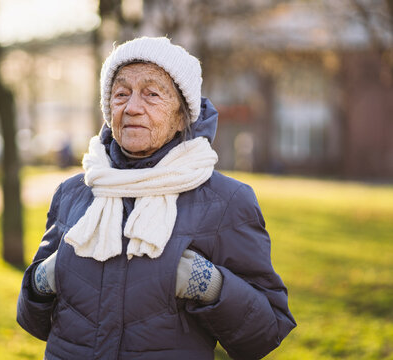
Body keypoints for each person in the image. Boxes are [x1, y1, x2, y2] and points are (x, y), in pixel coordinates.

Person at [17, 37, 296, 360]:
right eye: (121, 93)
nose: (132, 106)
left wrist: (209, 285)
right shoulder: (74, 193)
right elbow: (33, 321)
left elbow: (265, 333)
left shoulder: (226, 201)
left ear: (182, 115)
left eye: (151, 94)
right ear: (109, 109)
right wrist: (41, 280)